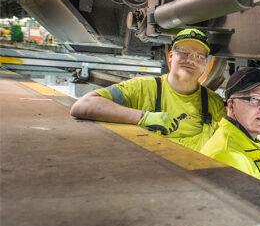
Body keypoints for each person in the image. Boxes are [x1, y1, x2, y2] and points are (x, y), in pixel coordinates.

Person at [70, 28, 225, 151]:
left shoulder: (214, 103)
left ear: (205, 64)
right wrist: (144, 117)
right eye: (184, 53)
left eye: (199, 56)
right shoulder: (143, 88)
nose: (191, 60)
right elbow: (83, 106)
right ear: (170, 56)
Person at [200, 67, 260, 188]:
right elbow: (257, 204)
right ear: (231, 106)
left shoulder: (245, 142)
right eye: (255, 99)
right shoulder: (228, 157)